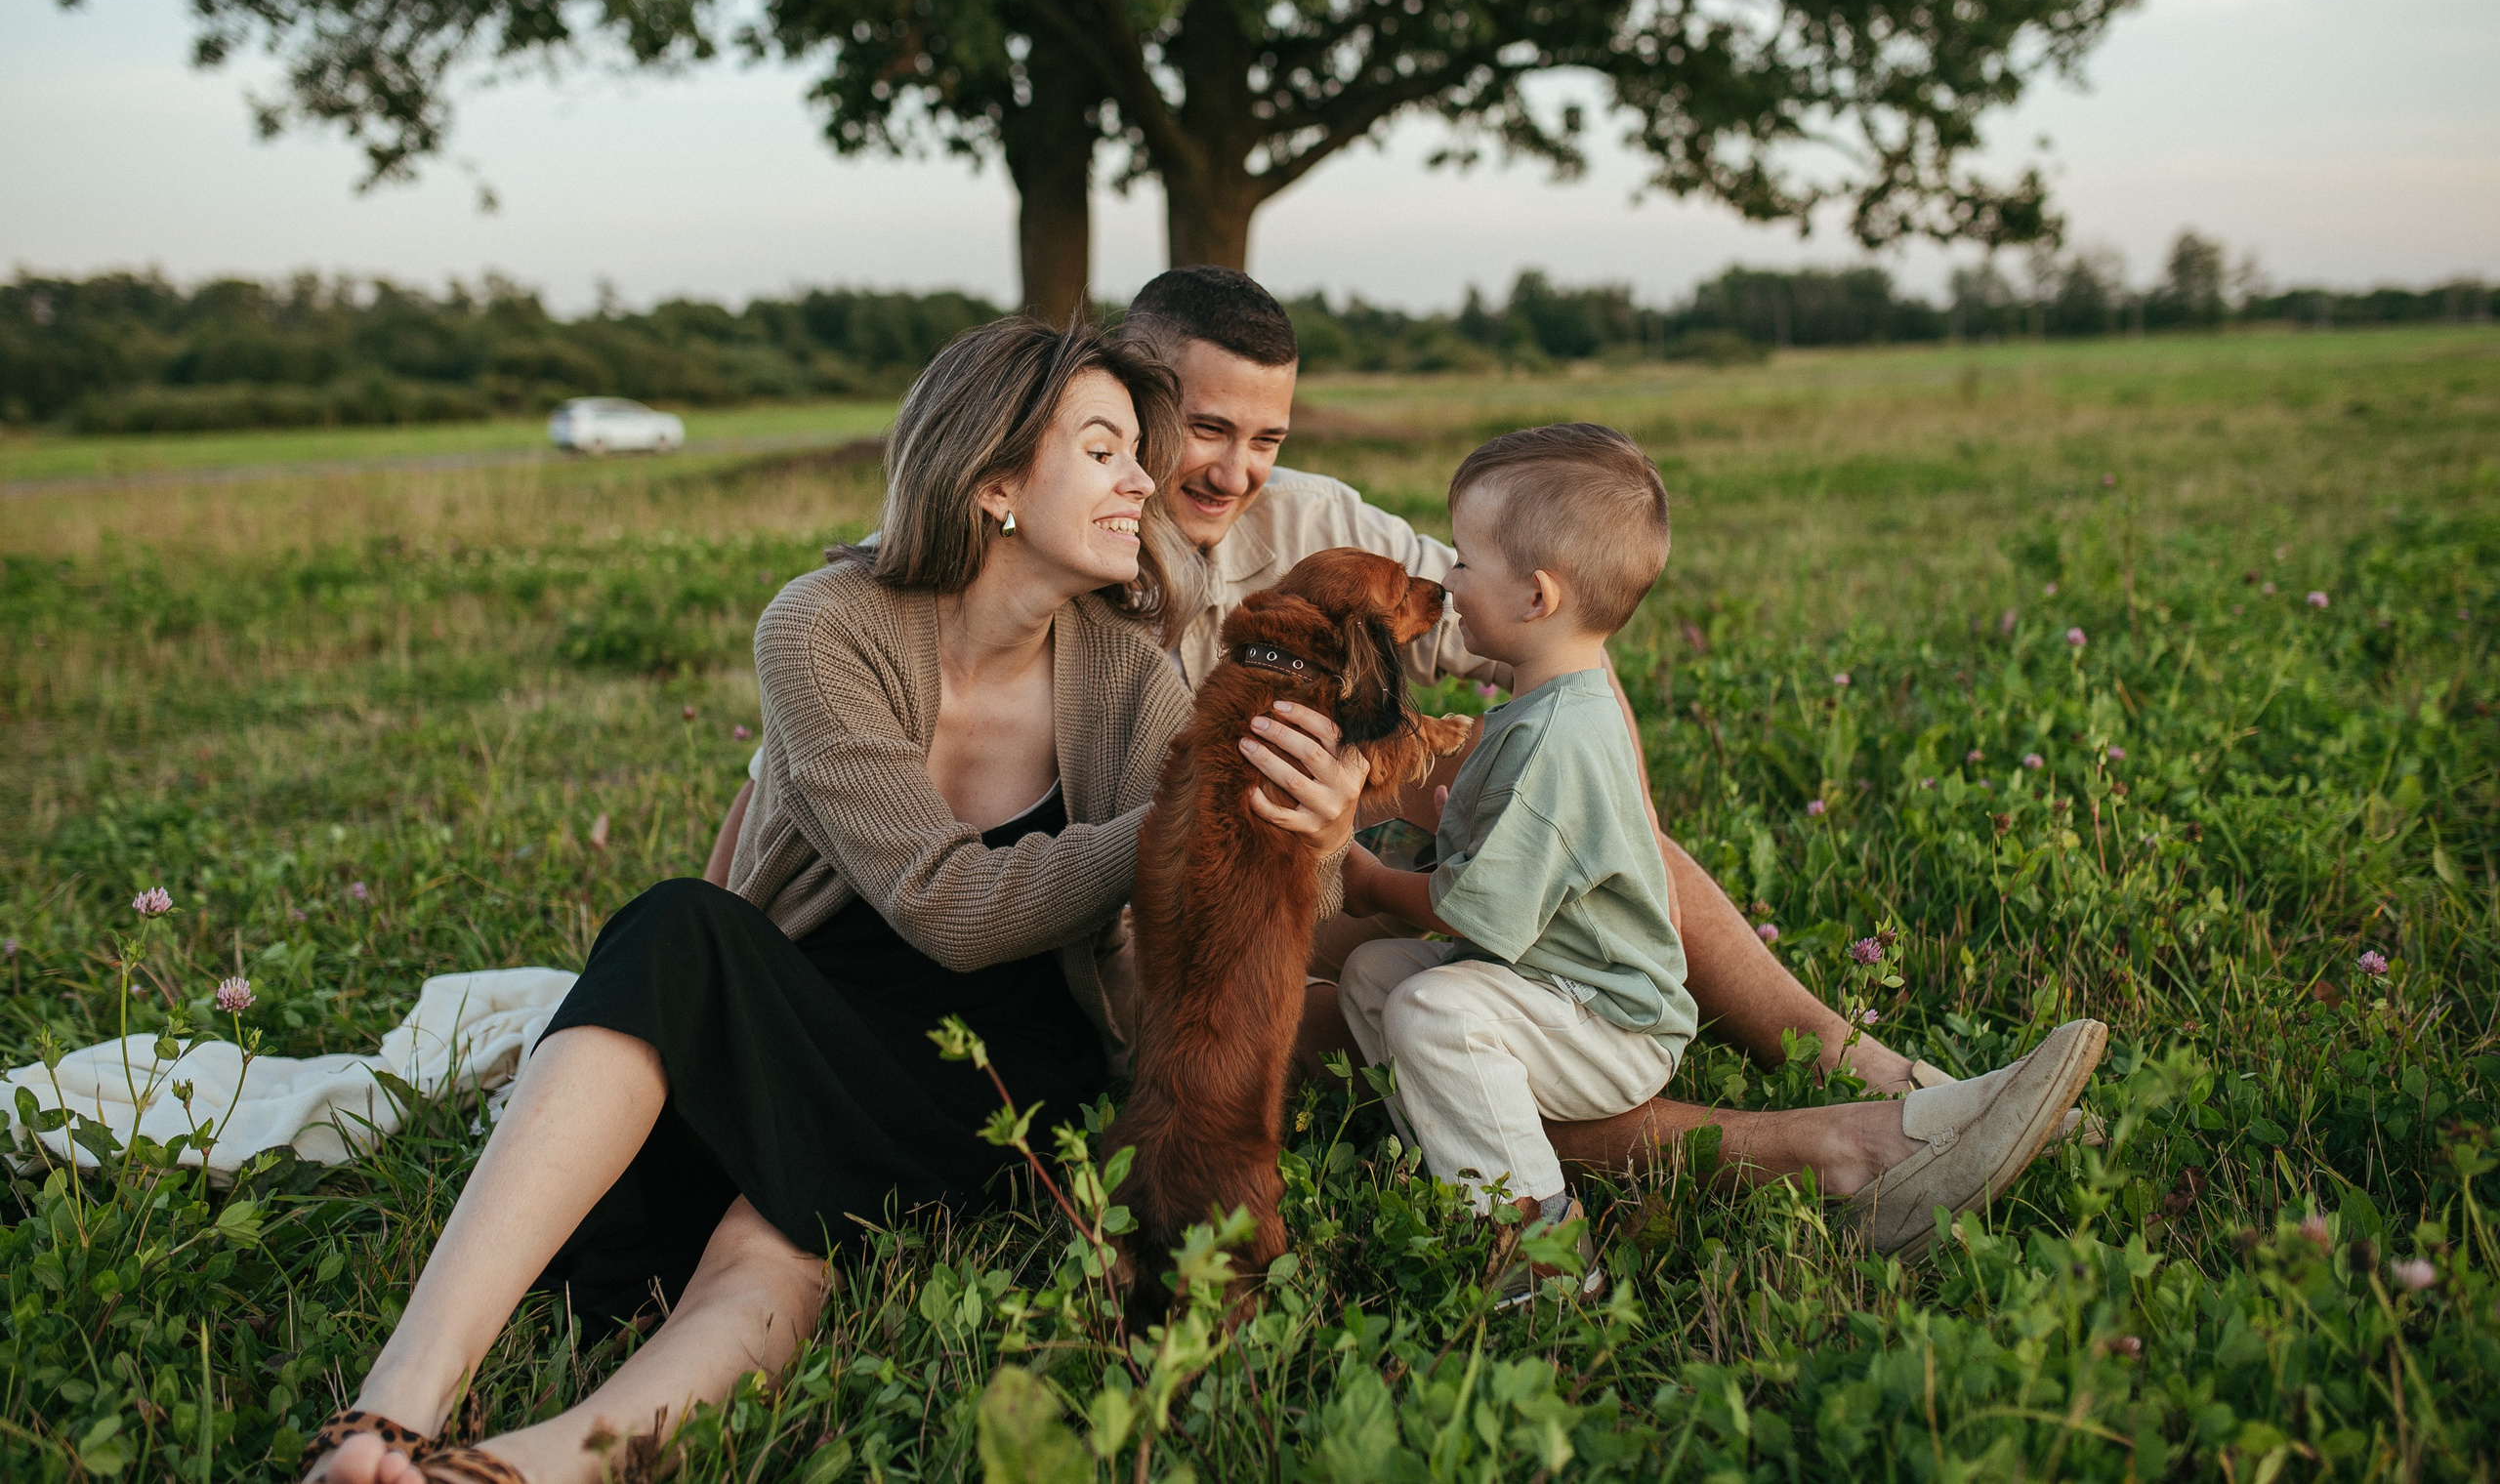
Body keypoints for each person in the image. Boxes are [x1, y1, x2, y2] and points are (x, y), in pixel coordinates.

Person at [302, 318, 1370, 1484]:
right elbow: (943, 901)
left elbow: (1221, 909)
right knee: (673, 928)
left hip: (999, 1067)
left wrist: (1304, 832)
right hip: (810, 1000)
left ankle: (528, 1468)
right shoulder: (824, 624)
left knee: (776, 1242)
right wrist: (1181, 815)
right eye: (1106, 449)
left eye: (1137, 454)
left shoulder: (1130, 672)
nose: (1141, 481)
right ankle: (392, 1406)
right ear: (995, 482)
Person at [707, 267, 1943, 1117]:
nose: (1237, 470)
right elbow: (814, 795)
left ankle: (1859, 1065)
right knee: (1408, 1033)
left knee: (1616, 846)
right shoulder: (1041, 558)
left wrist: (1542, 784)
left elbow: (1545, 625)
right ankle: (1815, 1152)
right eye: (1203, 429)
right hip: (1140, 951)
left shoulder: (1319, 525)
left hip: (1306, 875)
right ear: (1123, 410)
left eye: (1270, 436)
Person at [1337, 425, 2104, 1276]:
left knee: (1428, 1009)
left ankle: (1542, 1254)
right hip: (1548, 987)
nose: (1447, 580)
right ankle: (1472, 1171)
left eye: (1465, 563)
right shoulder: (1551, 707)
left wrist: (1369, 880)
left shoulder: (1553, 740)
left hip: (1604, 1018)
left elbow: (1472, 909)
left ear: (1536, 597)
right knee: (1376, 980)